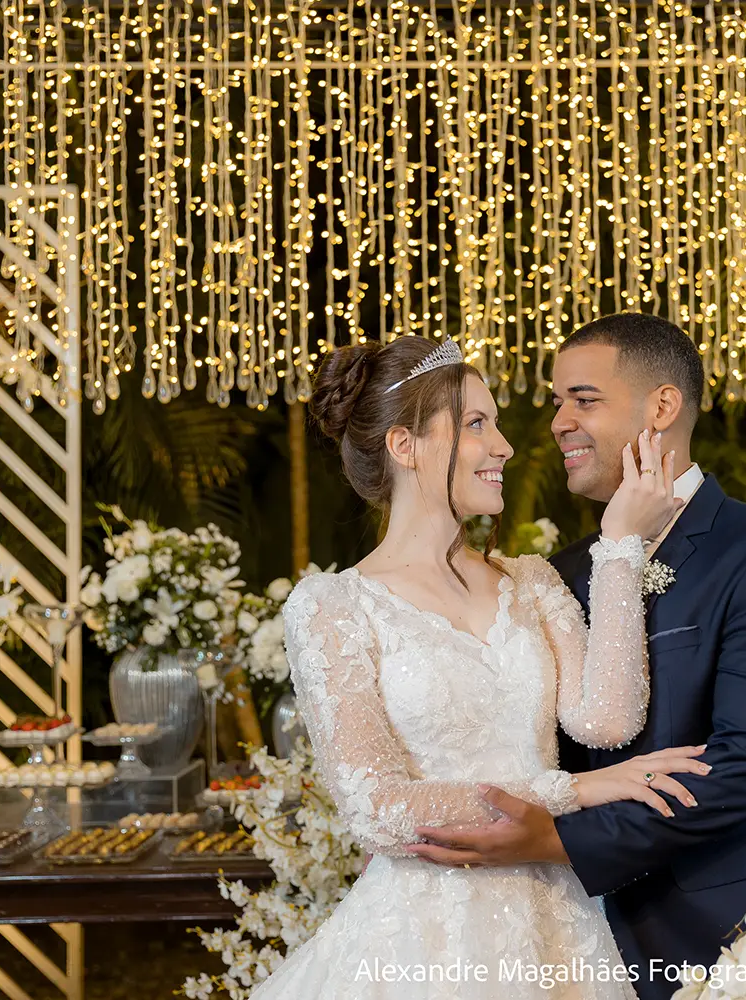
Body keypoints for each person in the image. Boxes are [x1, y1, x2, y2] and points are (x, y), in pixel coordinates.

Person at [251, 334, 706, 1000]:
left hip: (556, 927)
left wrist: (619, 547)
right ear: (405, 446)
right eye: (475, 424)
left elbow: (607, 721)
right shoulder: (332, 606)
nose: (505, 447)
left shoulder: (531, 581)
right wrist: (576, 791)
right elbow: (377, 810)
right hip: (422, 942)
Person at [406, 314, 746, 999]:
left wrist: (559, 842)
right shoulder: (562, 574)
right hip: (567, 926)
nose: (558, 424)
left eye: (583, 400)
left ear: (661, 407)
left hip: (733, 925)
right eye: (557, 403)